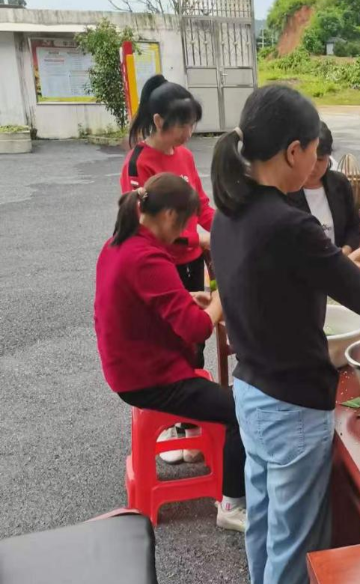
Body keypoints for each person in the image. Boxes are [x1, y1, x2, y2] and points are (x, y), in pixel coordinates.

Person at [209, 85, 360, 584]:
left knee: (264, 525)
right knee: (294, 547)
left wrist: (343, 261)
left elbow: (282, 283)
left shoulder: (231, 212)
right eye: (311, 150)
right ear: (292, 152)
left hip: (252, 393)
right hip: (292, 407)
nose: (315, 163)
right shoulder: (288, 222)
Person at [94, 173, 247, 532]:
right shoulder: (147, 258)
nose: (183, 233)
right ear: (168, 217)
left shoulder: (118, 244)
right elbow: (196, 329)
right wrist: (221, 302)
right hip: (147, 377)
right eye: (184, 223)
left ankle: (199, 449)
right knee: (243, 410)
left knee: (225, 400)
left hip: (126, 365)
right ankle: (232, 504)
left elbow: (142, 303)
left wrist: (189, 300)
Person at [122, 74, 213, 463]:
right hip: (160, 268)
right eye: (183, 125)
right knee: (165, 341)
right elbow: (145, 227)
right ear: (159, 122)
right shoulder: (138, 163)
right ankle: (172, 424)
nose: (188, 133)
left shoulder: (186, 158)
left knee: (193, 341)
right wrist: (197, 240)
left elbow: (202, 206)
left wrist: (224, 230)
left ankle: (191, 423)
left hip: (191, 263)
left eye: (192, 124)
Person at [288, 122, 360, 253]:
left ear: (329, 157)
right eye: (308, 159)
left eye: (320, 160)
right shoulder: (285, 190)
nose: (313, 166)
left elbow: (354, 227)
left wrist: (345, 252)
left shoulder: (340, 183)